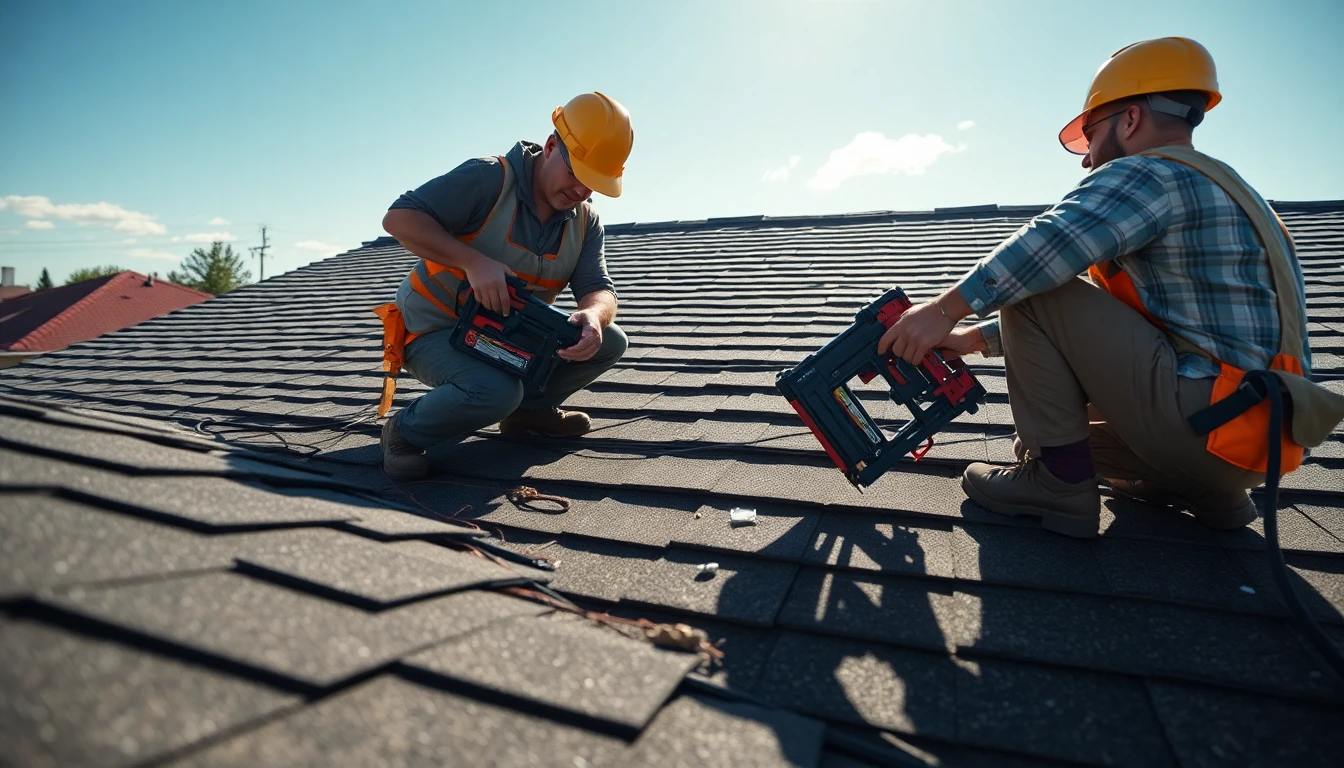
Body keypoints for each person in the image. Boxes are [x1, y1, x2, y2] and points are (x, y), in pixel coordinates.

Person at [877, 37, 1343, 538]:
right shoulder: (1231, 188)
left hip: (1206, 423)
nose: (1086, 159)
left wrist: (944, 312)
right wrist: (974, 339)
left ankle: (1058, 486)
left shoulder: (1148, 172)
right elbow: (1136, 318)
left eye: (1091, 134)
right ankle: (1207, 489)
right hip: (1256, 445)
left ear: (1130, 120)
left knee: (1029, 287)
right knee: (1087, 442)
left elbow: (1045, 249)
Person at [373, 92, 634, 481]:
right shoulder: (488, 178)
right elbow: (399, 219)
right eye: (577, 174)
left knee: (610, 339)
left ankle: (526, 415)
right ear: (550, 147)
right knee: (496, 391)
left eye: (593, 183)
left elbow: (599, 287)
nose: (582, 191)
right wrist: (472, 262)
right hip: (432, 328)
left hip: (504, 332)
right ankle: (404, 432)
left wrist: (595, 316)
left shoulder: (585, 222)